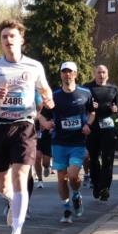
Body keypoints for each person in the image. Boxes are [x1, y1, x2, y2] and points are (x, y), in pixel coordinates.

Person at [0, 19, 53, 234]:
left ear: (21, 39)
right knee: (2, 185)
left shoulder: (34, 66)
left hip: (24, 126)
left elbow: (45, 89)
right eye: (4, 37)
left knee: (20, 177)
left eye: (12, 36)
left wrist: (48, 98)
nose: (8, 40)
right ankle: (10, 201)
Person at [40, 61, 94, 223]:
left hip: (78, 142)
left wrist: (88, 124)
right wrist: (45, 123)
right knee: (61, 177)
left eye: (70, 72)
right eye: (64, 72)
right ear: (61, 75)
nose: (67, 75)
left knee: (72, 175)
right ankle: (66, 209)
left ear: (75, 74)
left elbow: (92, 112)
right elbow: (40, 114)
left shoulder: (85, 93)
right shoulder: (54, 96)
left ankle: (76, 195)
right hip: (59, 143)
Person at [83, 64, 118, 201]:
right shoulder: (87, 87)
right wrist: (89, 106)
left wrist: (115, 109)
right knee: (93, 158)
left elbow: (117, 106)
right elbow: (82, 105)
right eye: (98, 72)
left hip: (108, 125)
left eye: (103, 72)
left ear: (107, 74)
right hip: (92, 126)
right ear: (95, 74)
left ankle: (105, 187)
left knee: (108, 158)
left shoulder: (113, 89)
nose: (101, 75)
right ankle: (96, 184)